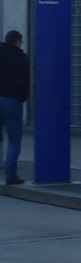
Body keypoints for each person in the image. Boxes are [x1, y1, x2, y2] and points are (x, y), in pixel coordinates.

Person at [0, 30, 30, 185]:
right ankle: (11, 176)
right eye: (21, 41)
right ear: (17, 41)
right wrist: (22, 98)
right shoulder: (20, 58)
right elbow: (24, 82)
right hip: (11, 101)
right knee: (14, 141)